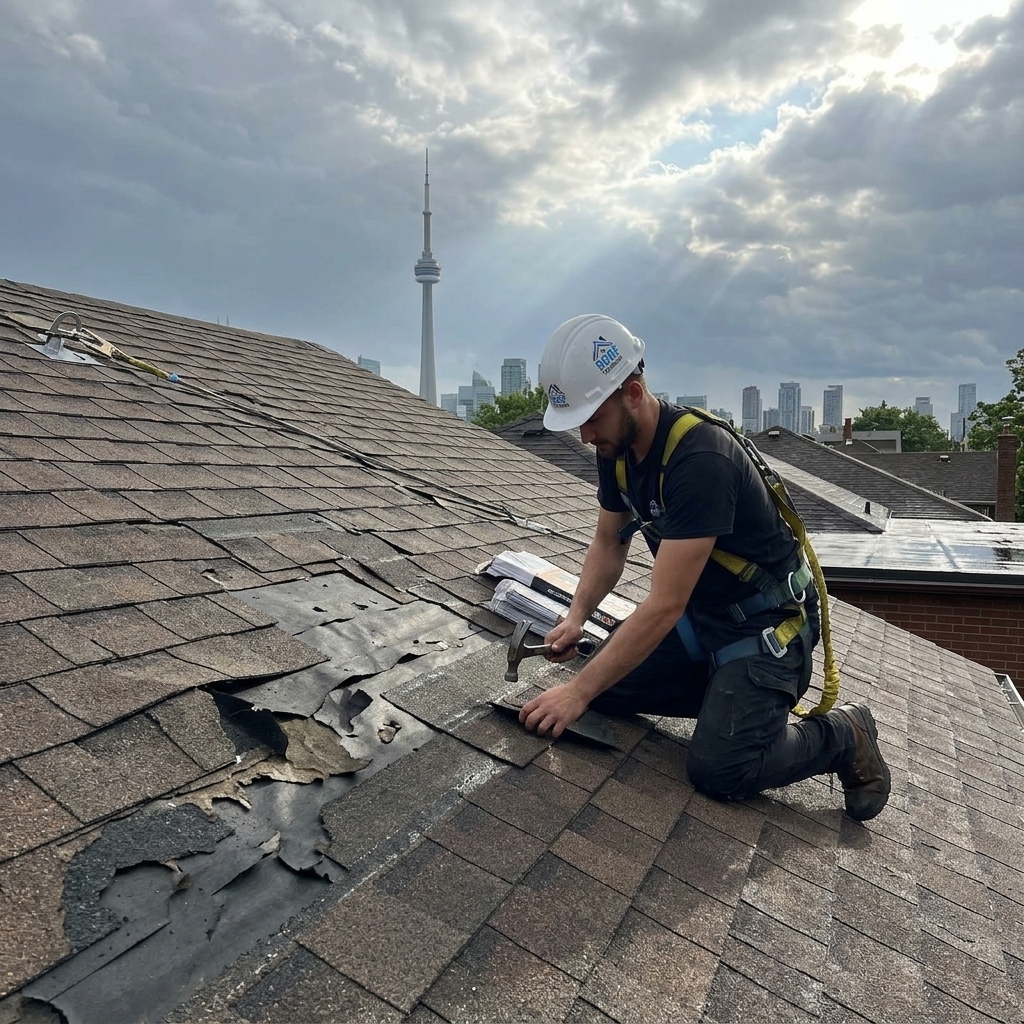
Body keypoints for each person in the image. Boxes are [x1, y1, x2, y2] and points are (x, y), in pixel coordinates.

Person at [519, 314, 890, 821]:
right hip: (703, 624)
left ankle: (842, 734)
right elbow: (609, 543)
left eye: (591, 418)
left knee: (720, 769)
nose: (585, 436)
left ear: (632, 392)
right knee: (603, 687)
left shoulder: (700, 460)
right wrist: (577, 616)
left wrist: (577, 692)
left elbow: (666, 603)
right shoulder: (618, 448)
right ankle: (730, 703)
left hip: (765, 632)